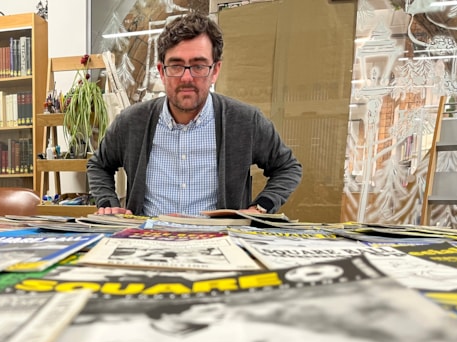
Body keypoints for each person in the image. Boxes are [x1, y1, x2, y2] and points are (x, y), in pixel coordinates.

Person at [87, 12, 302, 217]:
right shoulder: (132, 122)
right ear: (161, 71)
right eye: (176, 65)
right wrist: (107, 204)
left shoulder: (245, 121)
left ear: (215, 70)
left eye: (198, 66)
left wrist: (261, 207)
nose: (187, 78)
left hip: (219, 243)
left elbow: (287, 167)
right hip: (149, 240)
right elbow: (99, 165)